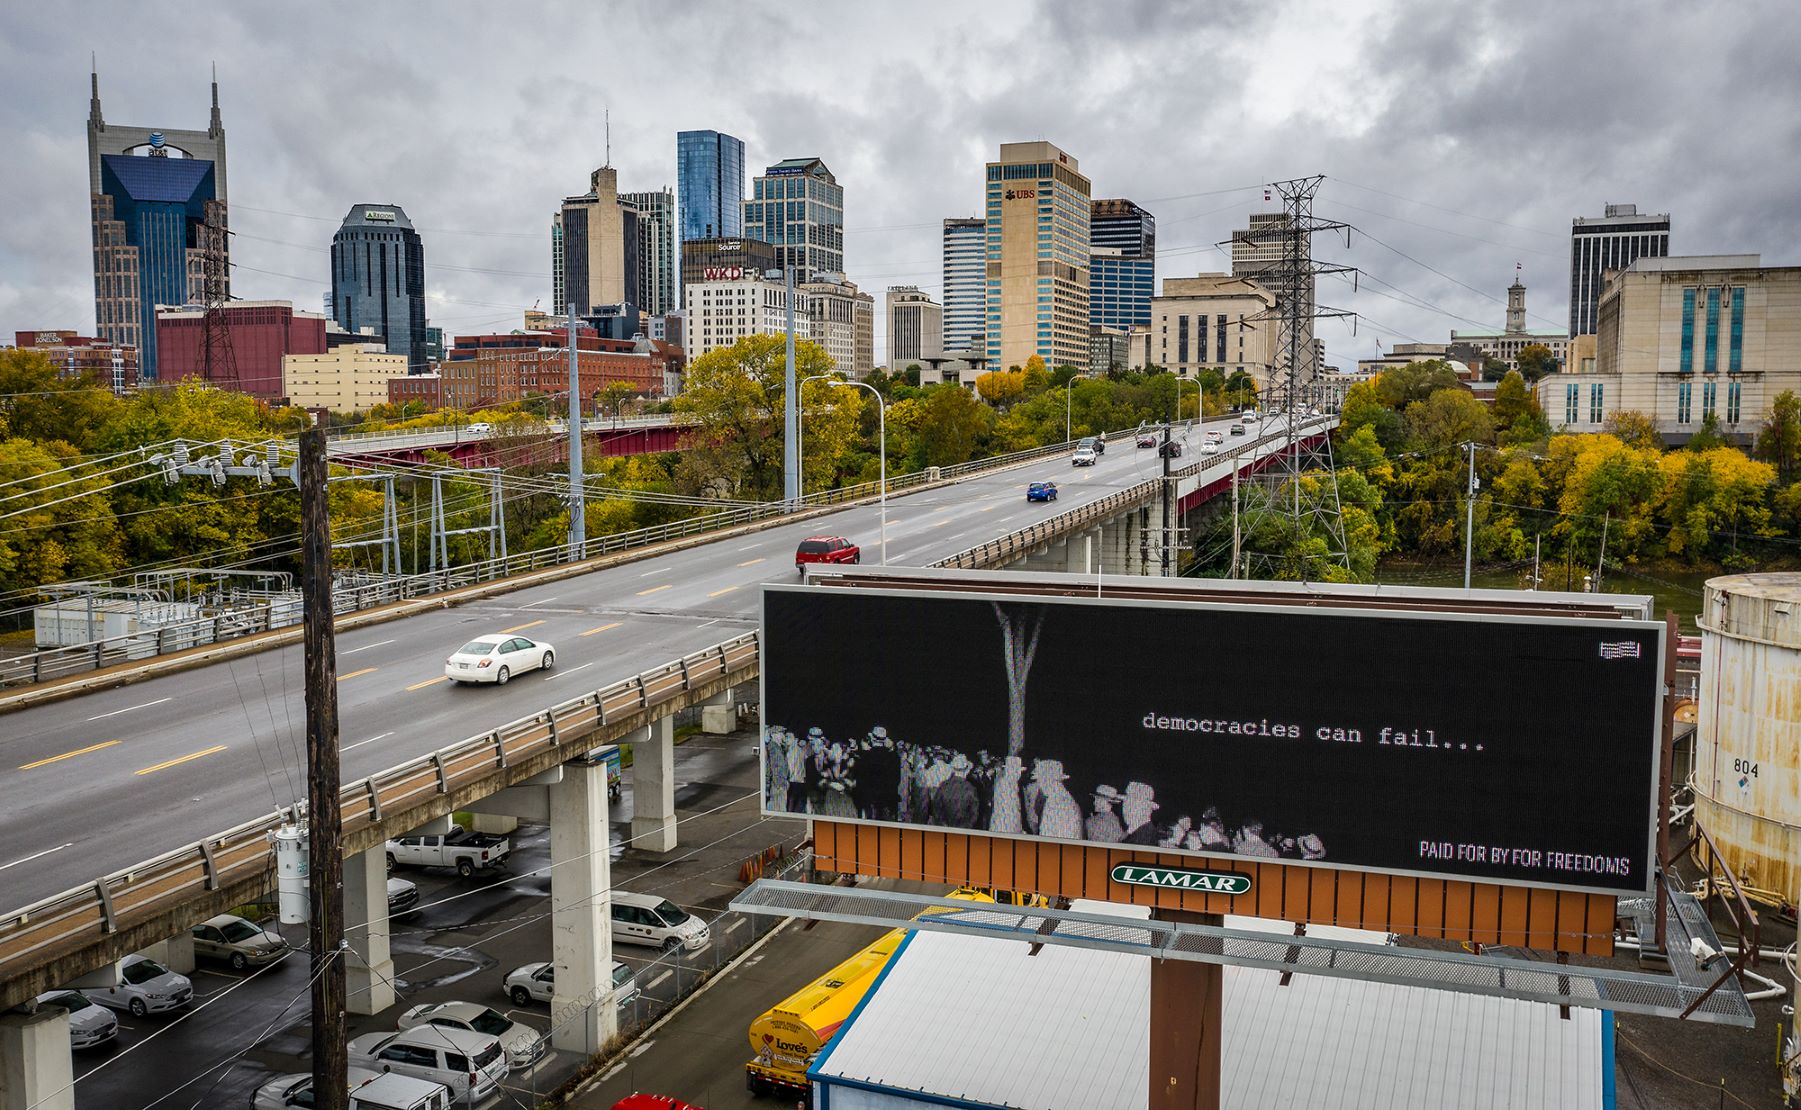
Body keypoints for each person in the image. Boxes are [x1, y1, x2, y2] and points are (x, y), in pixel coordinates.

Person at [1030, 759, 1082, 841]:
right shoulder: (1060, 799)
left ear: (1047, 781)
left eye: (1039, 780)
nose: (1039, 785)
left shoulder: (1058, 805)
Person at [929, 753, 981, 828]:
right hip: (962, 829)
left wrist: (942, 824)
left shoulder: (944, 785)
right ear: (966, 771)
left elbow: (936, 808)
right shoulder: (971, 788)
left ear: (953, 769)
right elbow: (974, 814)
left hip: (944, 827)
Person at [815, 740, 859, 819]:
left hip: (845, 799)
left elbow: (853, 784)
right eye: (833, 749)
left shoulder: (847, 765)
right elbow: (820, 784)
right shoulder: (827, 766)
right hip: (831, 797)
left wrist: (846, 784)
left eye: (838, 749)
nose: (835, 752)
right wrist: (830, 784)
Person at [988, 755, 1025, 834]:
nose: (1019, 774)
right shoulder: (1007, 785)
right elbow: (1011, 812)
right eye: (1018, 771)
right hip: (1005, 828)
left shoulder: (1008, 782)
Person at [1121, 782, 1162, 846]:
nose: (1125, 808)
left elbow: (1139, 821)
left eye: (1131, 804)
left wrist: (1126, 833)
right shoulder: (1137, 828)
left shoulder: (1144, 833)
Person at [784, 728, 811, 814]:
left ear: (795, 740)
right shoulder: (801, 751)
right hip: (801, 781)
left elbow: (790, 768)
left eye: (789, 737)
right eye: (786, 737)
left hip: (793, 781)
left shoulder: (791, 752)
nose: (786, 739)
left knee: (791, 804)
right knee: (798, 804)